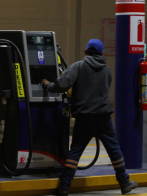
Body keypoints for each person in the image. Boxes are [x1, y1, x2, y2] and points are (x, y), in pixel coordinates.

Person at [41, 39, 137, 196]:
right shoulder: (107, 70)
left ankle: (64, 186)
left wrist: (47, 85)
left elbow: (61, 85)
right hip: (103, 116)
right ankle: (124, 184)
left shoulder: (78, 66)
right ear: (101, 53)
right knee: (114, 150)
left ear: (86, 52)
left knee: (75, 152)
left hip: (84, 117)